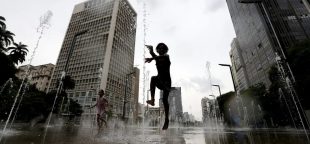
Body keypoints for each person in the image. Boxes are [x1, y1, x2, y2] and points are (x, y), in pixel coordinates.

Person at [145, 43, 171, 130]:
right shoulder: (157, 58)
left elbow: (159, 58)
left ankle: (167, 119)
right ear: (158, 50)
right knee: (153, 78)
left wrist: (152, 54)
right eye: (159, 49)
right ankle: (152, 100)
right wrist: (152, 58)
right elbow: (157, 58)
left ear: (165, 50)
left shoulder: (166, 57)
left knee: (164, 99)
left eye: (163, 48)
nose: (161, 50)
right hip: (160, 80)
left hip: (167, 82)